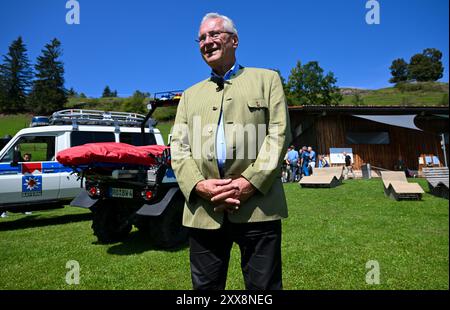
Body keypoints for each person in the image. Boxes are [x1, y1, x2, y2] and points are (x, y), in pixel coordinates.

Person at [171, 12, 291, 290]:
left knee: (264, 289)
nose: (206, 42)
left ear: (234, 40)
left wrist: (250, 182)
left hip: (259, 207)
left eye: (214, 34)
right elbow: (178, 146)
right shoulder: (189, 96)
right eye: (201, 38)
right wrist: (199, 185)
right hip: (204, 210)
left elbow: (279, 133)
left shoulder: (268, 79)